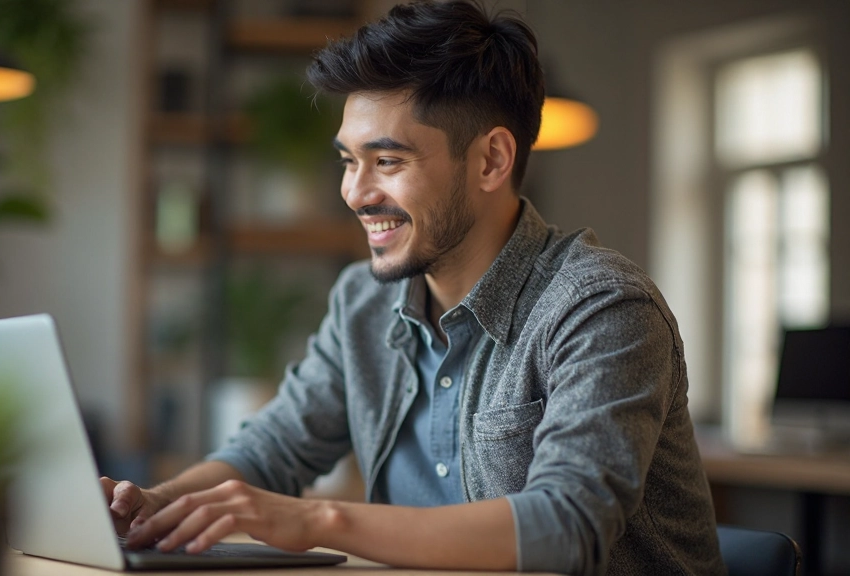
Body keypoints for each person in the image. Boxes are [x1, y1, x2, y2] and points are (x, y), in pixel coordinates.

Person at [102, 2, 726, 574]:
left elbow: (565, 529)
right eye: (349, 160)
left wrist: (320, 520)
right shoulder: (364, 300)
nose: (354, 192)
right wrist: (157, 505)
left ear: (490, 160)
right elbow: (274, 448)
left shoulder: (601, 308)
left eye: (389, 161)